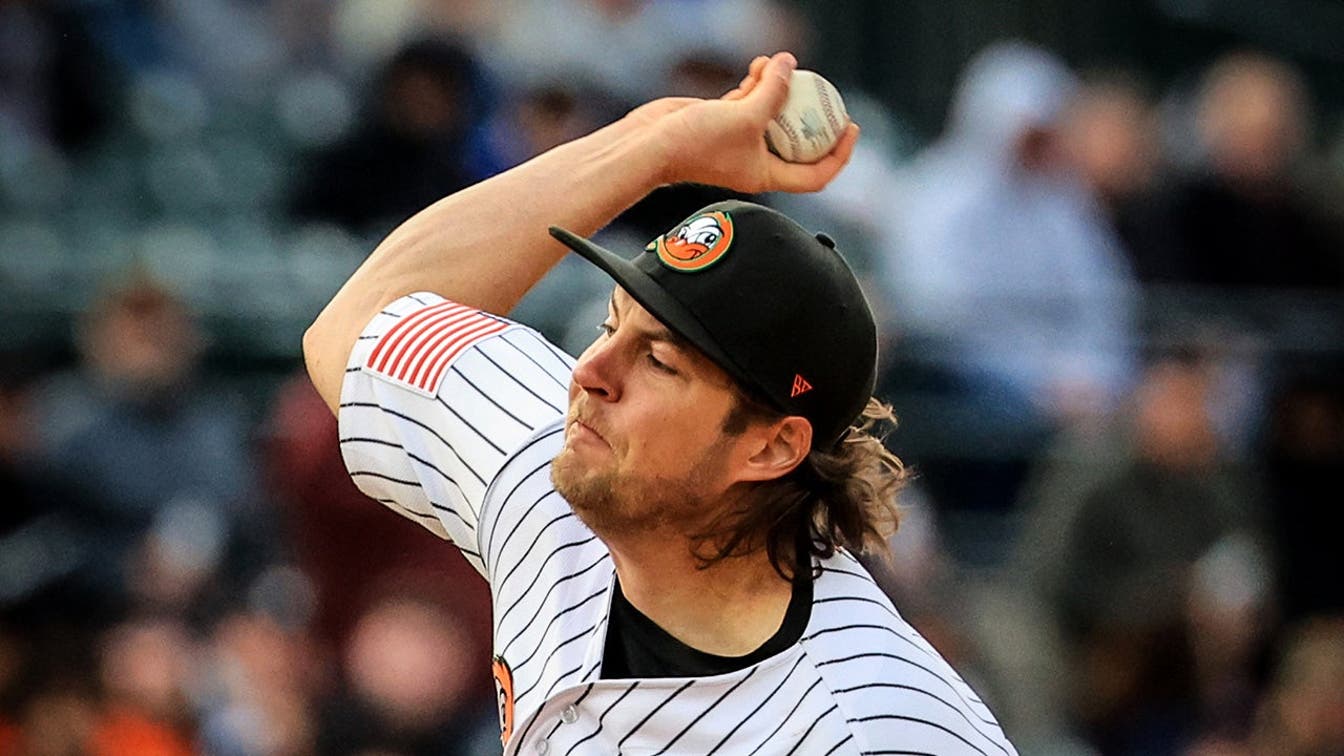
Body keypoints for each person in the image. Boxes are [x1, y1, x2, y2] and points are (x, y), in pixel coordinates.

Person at [304, 52, 1016, 754]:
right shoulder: (556, 461)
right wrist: (653, 147)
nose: (591, 372)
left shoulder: (874, 727)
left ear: (771, 445)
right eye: (611, 324)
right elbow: (357, 325)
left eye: (659, 361)